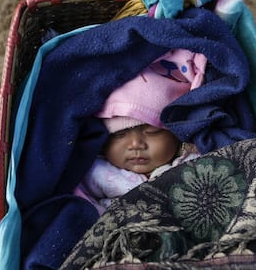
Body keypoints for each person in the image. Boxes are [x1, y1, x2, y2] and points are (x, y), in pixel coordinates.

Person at [74, 49, 206, 214]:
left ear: (176, 133)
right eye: (119, 134)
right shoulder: (95, 173)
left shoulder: (193, 163)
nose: (136, 144)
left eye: (152, 131)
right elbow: (80, 204)